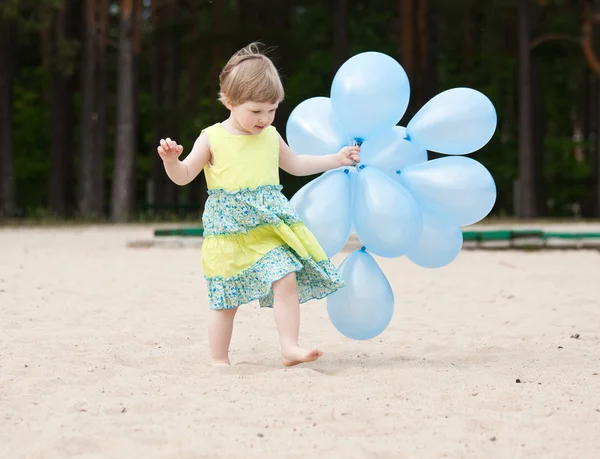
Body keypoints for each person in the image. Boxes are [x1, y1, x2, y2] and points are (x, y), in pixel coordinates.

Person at [156, 42, 360, 367]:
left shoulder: (270, 135)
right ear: (230, 101)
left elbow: (295, 164)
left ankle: (289, 347)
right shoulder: (211, 138)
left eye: (272, 109)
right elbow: (183, 176)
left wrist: (335, 160)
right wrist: (171, 161)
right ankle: (218, 359)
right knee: (226, 301)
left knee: (286, 277)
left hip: (268, 227)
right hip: (229, 233)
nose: (264, 118)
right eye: (256, 110)